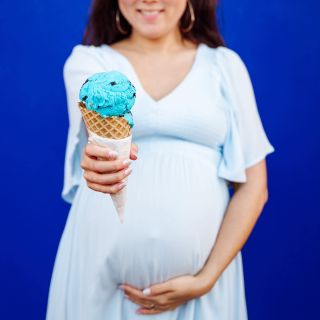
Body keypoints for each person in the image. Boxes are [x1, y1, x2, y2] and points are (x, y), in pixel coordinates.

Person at [46, 0, 275, 319]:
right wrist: (97, 166)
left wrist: (206, 278)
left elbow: (254, 187)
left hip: (204, 291)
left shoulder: (225, 66)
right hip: (98, 283)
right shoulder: (89, 62)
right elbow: (96, 147)